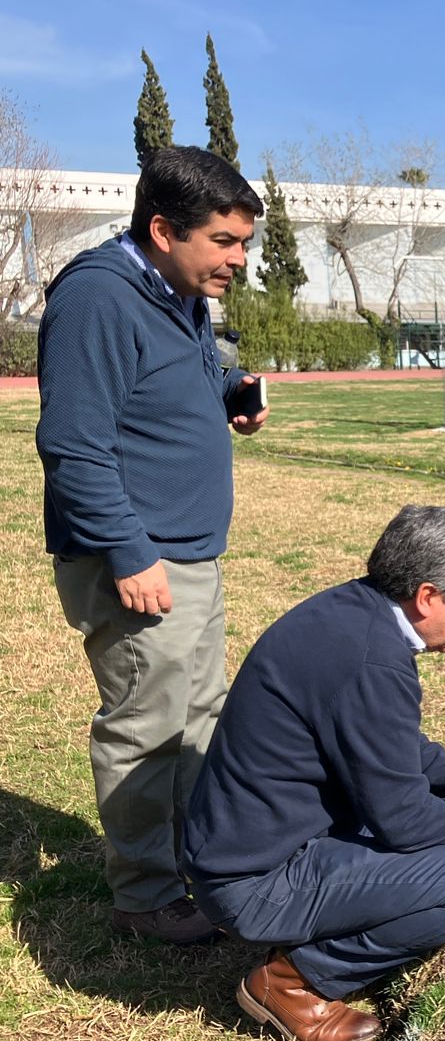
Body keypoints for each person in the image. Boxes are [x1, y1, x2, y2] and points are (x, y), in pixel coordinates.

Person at [183, 505, 445, 1041]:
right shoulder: (372, 661)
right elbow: (404, 821)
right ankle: (293, 983)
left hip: (240, 852)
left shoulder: (348, 613)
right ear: (428, 595)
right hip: (256, 884)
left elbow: (392, 746)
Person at [36, 146, 267, 945]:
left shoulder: (179, 291)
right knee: (145, 725)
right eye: (225, 242)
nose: (238, 260)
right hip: (140, 561)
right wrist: (129, 553)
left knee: (196, 717)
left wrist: (228, 396)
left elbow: (165, 388)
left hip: (190, 555)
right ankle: (144, 897)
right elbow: (73, 445)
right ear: (164, 229)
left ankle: (187, 866)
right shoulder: (100, 298)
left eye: (244, 243)